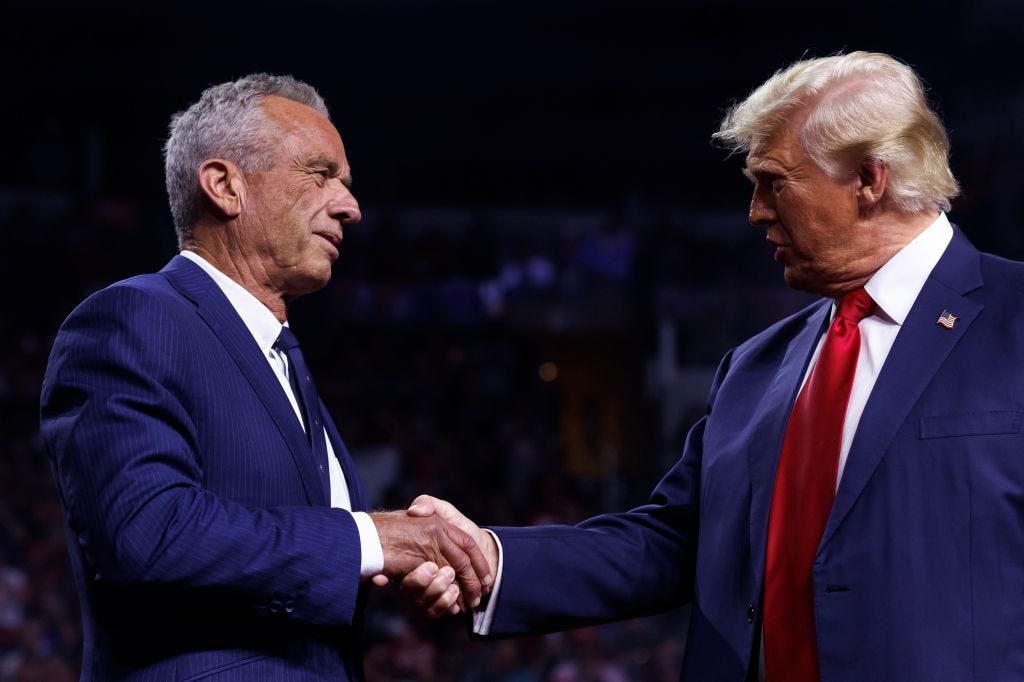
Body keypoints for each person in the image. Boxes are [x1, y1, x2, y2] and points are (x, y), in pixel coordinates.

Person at [404, 51, 1024, 681]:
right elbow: (672, 542)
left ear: (869, 179)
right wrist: (490, 556)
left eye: (774, 181)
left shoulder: (1015, 321)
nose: (754, 210)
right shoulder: (755, 368)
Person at [39, 74, 488, 681]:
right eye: (320, 174)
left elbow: (288, 575)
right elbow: (147, 532)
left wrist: (397, 558)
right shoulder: (132, 319)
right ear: (226, 186)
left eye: (346, 185)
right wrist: (369, 540)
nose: (350, 206)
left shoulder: (283, 361)